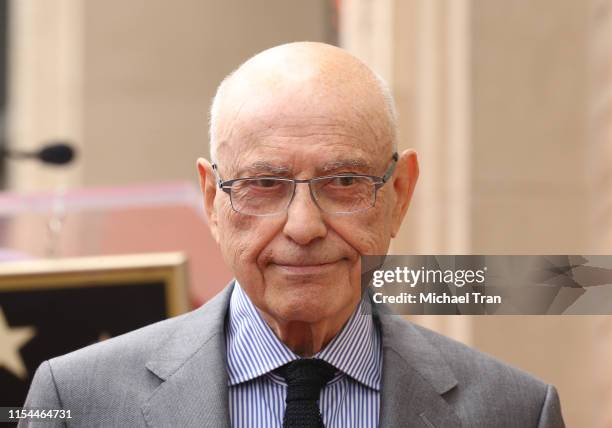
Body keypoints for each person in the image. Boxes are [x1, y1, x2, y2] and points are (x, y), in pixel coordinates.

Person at [21, 42, 564, 428]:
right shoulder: (78, 401)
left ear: (399, 193)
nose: (304, 227)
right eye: (264, 184)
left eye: (345, 181)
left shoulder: (513, 410)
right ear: (213, 199)